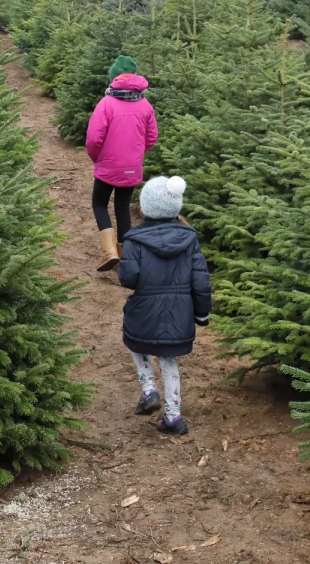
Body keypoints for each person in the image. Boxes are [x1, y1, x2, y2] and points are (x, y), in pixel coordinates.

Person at [118, 176, 211, 435]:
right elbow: (201, 280)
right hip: (179, 313)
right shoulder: (189, 239)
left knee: (135, 341)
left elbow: (128, 279)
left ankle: (148, 390)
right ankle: (173, 416)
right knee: (169, 359)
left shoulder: (135, 240)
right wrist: (201, 314)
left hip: (144, 309)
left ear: (145, 207)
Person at [86, 55, 158, 272]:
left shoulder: (107, 103)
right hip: (132, 167)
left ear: (113, 78)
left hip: (109, 165)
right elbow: (152, 135)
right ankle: (125, 256)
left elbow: (93, 139)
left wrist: (97, 158)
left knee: (99, 203)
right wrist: (135, 154)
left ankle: (109, 252)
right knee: (122, 207)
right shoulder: (145, 104)